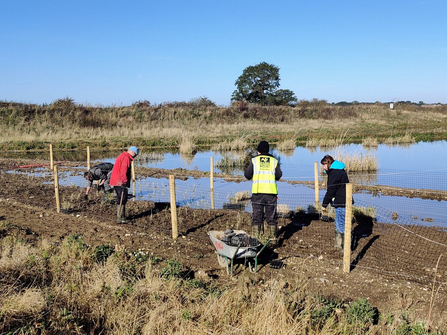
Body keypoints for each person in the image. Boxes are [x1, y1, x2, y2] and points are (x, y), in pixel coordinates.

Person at [244, 140, 282, 245]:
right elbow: (278, 176)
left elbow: (247, 175)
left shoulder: (254, 160)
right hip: (271, 193)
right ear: (268, 150)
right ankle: (273, 240)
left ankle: (256, 240)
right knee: (271, 217)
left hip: (257, 193)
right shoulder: (274, 161)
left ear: (258, 151)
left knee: (257, 217)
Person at [320, 154, 353, 250]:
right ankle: (339, 244)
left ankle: (344, 246)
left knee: (341, 223)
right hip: (342, 200)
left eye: (324, 164)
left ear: (329, 163)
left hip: (341, 201)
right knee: (338, 222)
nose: (323, 167)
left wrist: (324, 204)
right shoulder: (339, 171)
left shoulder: (334, 173)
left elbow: (331, 190)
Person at [110, 146, 139, 223]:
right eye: (135, 154)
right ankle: (120, 218)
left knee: (121, 198)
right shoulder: (126, 158)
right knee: (122, 199)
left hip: (117, 181)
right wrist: (124, 182)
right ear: (133, 152)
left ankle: (121, 216)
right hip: (120, 182)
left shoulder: (122, 156)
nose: (135, 156)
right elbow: (123, 171)